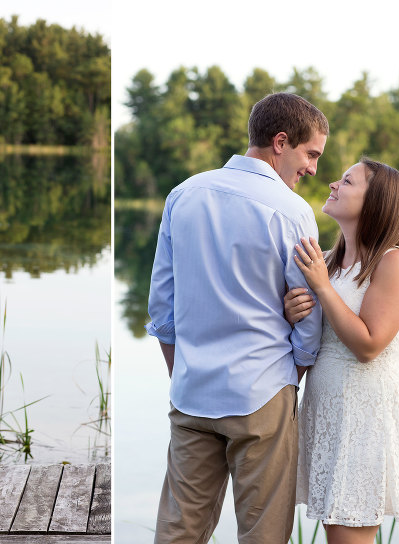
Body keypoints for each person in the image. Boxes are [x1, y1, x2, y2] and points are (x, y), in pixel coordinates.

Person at [146, 92, 328, 543]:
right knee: (263, 534)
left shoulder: (183, 194)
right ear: (281, 142)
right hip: (262, 392)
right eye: (311, 154)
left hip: (191, 391)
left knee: (178, 531)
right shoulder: (292, 211)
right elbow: (307, 315)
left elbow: (161, 309)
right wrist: (294, 375)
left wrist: (181, 374)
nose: (313, 169)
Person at [284, 157, 399, 542]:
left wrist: (323, 289)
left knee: (349, 533)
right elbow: (320, 328)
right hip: (328, 409)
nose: (332, 183)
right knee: (336, 529)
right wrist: (293, 310)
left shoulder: (395, 263)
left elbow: (369, 345)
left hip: (367, 414)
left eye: (347, 181)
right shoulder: (328, 262)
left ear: (375, 202)